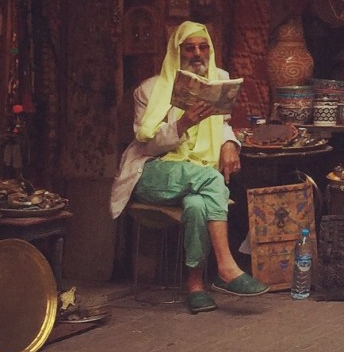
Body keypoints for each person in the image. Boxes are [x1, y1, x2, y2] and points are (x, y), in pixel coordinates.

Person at [109, 20, 268, 314]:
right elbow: (146, 145)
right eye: (189, 48)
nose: (197, 54)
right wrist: (182, 124)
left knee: (197, 204)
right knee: (210, 179)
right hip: (153, 172)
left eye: (203, 47)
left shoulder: (217, 80)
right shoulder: (149, 90)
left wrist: (230, 143)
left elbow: (223, 124)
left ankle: (195, 285)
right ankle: (227, 266)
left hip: (195, 174)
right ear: (177, 51)